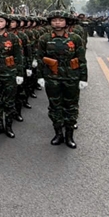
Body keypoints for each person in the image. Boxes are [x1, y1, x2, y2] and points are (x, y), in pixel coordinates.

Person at [36, 10, 87, 149]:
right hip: (52, 77)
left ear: (66, 22)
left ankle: (69, 135)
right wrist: (39, 76)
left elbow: (81, 59)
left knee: (71, 106)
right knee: (55, 105)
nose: (57, 23)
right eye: (54, 20)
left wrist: (83, 77)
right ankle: (58, 133)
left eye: (60, 20)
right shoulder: (44, 38)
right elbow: (40, 58)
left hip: (71, 77)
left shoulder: (75, 38)